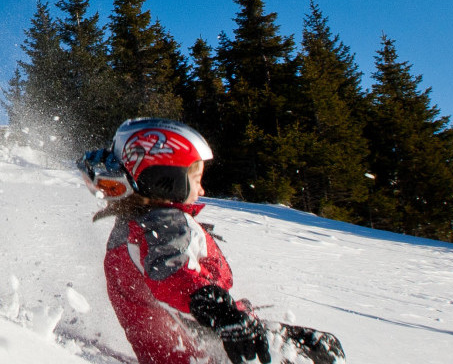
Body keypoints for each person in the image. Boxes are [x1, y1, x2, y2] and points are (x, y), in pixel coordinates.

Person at [80, 119, 344, 364]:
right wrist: (224, 315)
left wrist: (248, 322)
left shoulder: (134, 228)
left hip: (192, 347)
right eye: (196, 179)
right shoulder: (163, 226)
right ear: (167, 179)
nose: (202, 190)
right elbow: (172, 275)